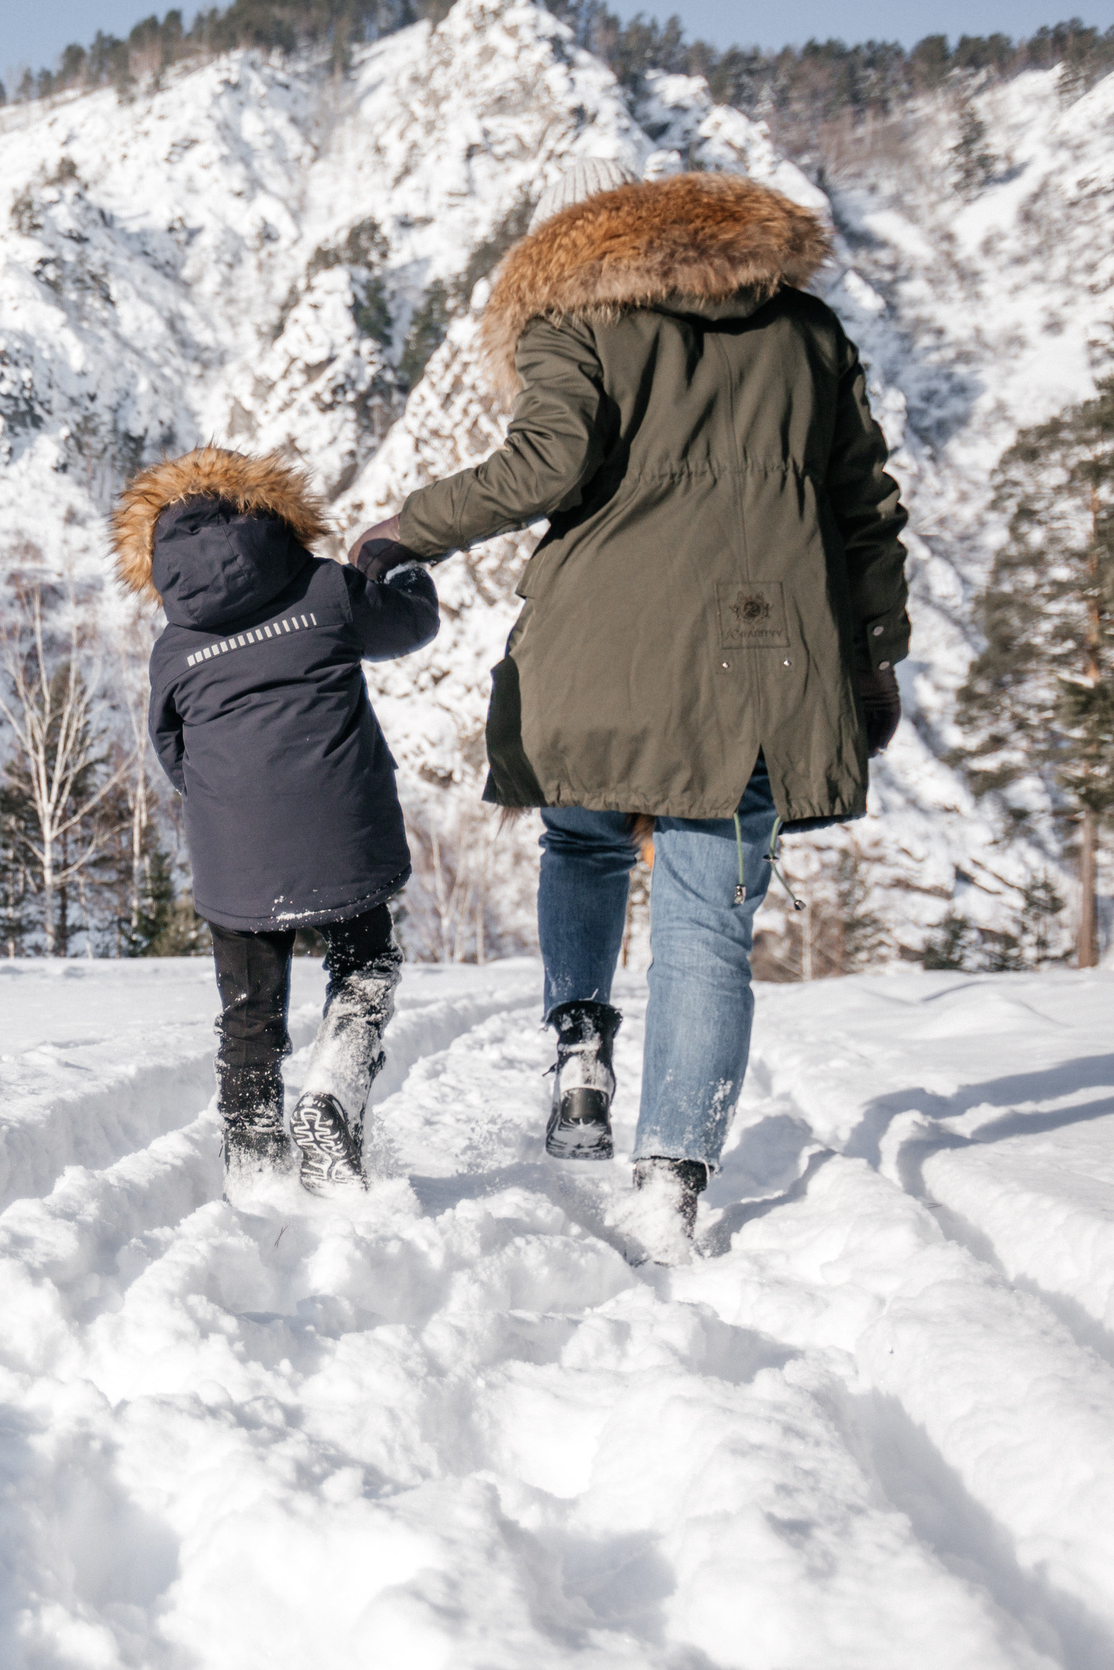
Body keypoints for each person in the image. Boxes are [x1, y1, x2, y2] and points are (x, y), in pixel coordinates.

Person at [347, 159, 910, 1259]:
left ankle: (579, 1042)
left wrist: (404, 529)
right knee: (706, 924)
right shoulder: (808, 330)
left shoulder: (575, 320)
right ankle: (670, 1178)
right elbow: (866, 509)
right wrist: (872, 656)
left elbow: (546, 462)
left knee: (585, 839)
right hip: (764, 660)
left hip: (601, 647)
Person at [116, 446, 442, 1198]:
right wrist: (399, 566)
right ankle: (334, 1086)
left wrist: (230, 808)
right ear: (272, 515)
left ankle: (256, 1167)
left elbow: (173, 754)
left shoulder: (175, 648)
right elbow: (412, 625)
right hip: (344, 831)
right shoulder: (326, 588)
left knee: (249, 1016)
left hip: (235, 852)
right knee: (364, 967)